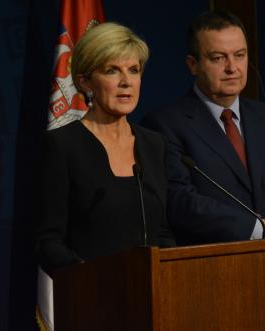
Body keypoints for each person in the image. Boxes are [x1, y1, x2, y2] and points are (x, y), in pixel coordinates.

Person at [143, 11, 265, 246]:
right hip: (209, 265)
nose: (232, 67)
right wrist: (258, 229)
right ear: (193, 64)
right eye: (218, 58)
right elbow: (179, 200)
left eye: (240, 55)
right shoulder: (164, 124)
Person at [36, 22, 175, 274]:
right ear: (86, 82)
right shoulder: (61, 146)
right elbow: (48, 242)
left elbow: (162, 231)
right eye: (112, 71)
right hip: (93, 299)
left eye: (134, 70)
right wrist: (92, 279)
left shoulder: (154, 144)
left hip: (154, 299)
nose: (126, 82)